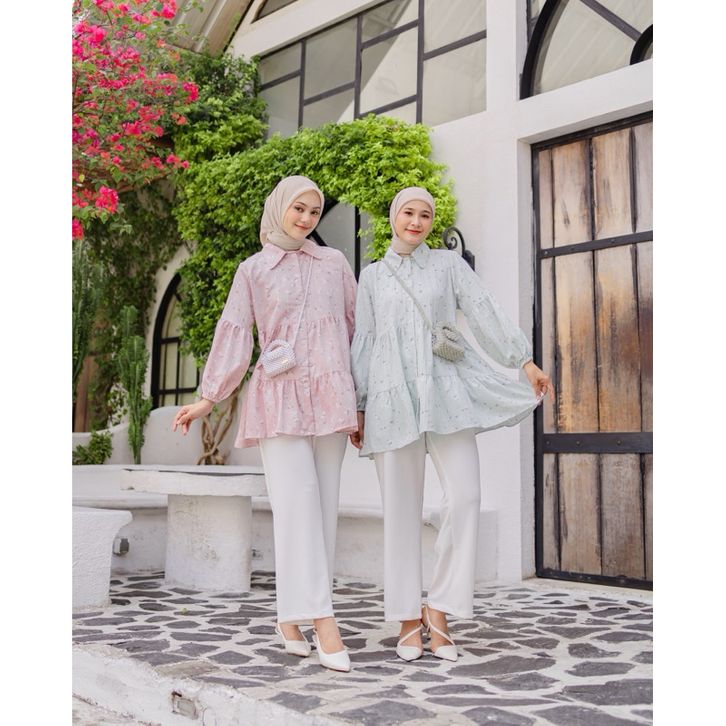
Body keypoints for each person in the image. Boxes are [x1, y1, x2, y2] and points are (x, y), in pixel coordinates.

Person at [350, 186, 553, 662]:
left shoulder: (447, 265)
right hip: (390, 397)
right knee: (400, 510)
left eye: (425, 215)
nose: (416, 222)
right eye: (408, 212)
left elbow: (483, 310)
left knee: (465, 496)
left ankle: (438, 608)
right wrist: (358, 405)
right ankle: (406, 618)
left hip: (446, 393)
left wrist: (523, 361)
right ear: (393, 217)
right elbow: (365, 341)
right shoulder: (373, 277)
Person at [172, 176, 358, 672]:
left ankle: (289, 617)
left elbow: (357, 329)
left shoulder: (334, 264)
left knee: (322, 511)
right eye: (298, 208)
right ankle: (324, 621)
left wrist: (361, 403)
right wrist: (209, 397)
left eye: (314, 212)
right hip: (279, 397)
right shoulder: (253, 270)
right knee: (297, 505)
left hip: (333, 396)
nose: (306, 219)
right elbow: (235, 332)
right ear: (279, 208)